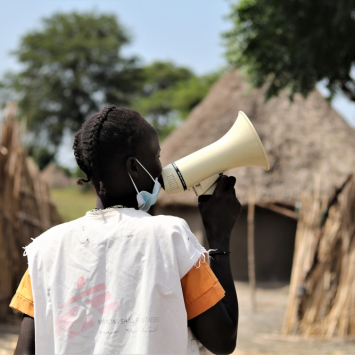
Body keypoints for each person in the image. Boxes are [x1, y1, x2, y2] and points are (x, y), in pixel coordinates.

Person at [11, 105, 241, 354]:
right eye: (156, 156)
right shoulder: (171, 236)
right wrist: (219, 235)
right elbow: (223, 341)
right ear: (134, 167)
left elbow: (24, 351)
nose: (160, 169)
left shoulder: (46, 249)